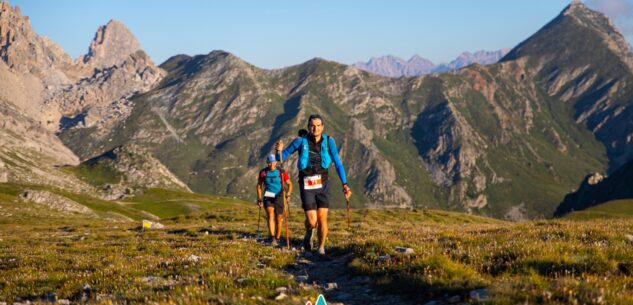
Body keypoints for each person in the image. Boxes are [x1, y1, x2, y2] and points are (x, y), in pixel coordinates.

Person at [275, 114, 352, 255]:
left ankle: (321, 248)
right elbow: (283, 156)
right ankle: (309, 232)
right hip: (307, 185)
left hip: (324, 184)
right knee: (312, 221)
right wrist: (278, 151)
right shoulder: (300, 141)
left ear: (322, 127)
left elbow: (338, 163)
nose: (315, 128)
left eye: (318, 125)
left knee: (322, 218)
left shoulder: (329, 142)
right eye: (312, 125)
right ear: (308, 127)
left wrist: (345, 184)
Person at [257, 154, 292, 247]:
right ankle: (272, 237)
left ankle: (278, 237)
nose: (271, 164)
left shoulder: (281, 172)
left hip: (280, 195)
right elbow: (259, 185)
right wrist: (259, 198)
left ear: (276, 162)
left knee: (279, 218)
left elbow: (289, 183)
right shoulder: (263, 172)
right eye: (269, 162)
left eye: (273, 162)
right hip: (268, 195)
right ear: (267, 163)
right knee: (270, 214)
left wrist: (288, 193)